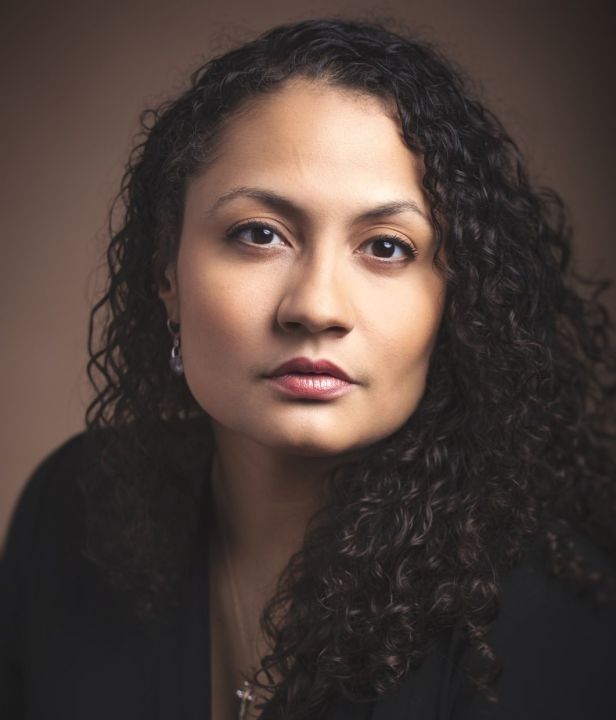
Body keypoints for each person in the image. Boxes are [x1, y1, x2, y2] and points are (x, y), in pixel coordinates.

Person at [1, 17, 615, 720]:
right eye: (260, 234)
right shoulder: (74, 508)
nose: (317, 307)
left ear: (457, 298)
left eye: (387, 247)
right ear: (166, 271)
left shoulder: (545, 621)